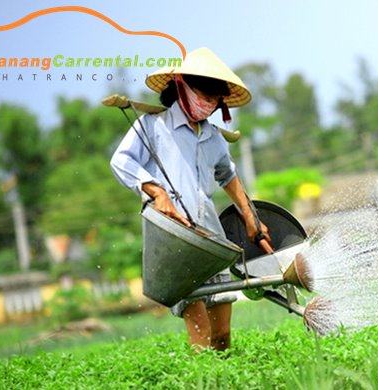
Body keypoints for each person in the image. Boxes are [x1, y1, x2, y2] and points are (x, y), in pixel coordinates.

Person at [110, 47, 270, 352]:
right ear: (181, 86)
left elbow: (228, 175)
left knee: (222, 335)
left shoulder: (213, 137)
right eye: (203, 96)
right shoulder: (152, 126)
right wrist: (156, 192)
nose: (207, 105)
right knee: (201, 336)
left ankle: (225, 383)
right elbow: (121, 161)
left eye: (214, 100)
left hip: (210, 240)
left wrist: (251, 217)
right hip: (175, 241)